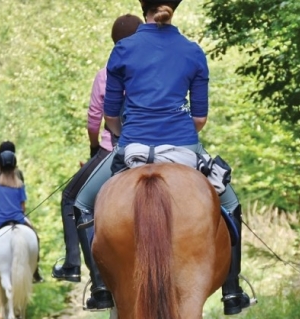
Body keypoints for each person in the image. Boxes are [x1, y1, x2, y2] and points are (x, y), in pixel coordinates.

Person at [73, 0, 252, 315]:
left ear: (143, 7)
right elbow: (199, 120)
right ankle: (233, 290)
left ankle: (100, 286)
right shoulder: (192, 51)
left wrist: (121, 133)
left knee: (83, 204)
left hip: (133, 151)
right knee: (231, 204)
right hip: (183, 150)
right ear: (173, 8)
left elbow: (110, 116)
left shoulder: (123, 50)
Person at [52, 14, 144, 289]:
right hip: (163, 144)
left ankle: (86, 273)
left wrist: (95, 147)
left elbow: (95, 119)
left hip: (116, 148)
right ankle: (231, 284)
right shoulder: (154, 69)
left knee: (71, 198)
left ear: (115, 42)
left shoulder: (106, 73)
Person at [0, 150, 43, 287]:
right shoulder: (19, 184)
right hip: (19, 219)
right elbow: (23, 207)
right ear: (14, 166)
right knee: (35, 238)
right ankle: (35, 271)